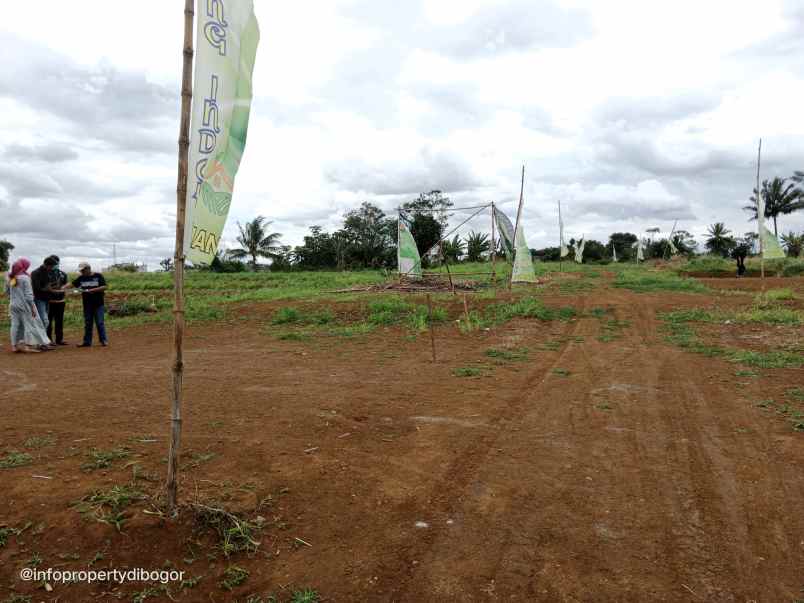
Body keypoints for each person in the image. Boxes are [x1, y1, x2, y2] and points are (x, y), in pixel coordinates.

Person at [5, 258, 52, 353]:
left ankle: (14, 346)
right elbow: (29, 295)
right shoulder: (25, 278)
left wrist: (13, 299)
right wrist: (32, 307)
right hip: (24, 305)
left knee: (15, 325)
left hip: (13, 305)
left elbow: (7, 292)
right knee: (28, 324)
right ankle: (27, 345)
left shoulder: (11, 277)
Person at [72, 262, 108, 347]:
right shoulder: (81, 278)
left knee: (100, 322)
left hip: (98, 304)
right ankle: (87, 342)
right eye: (81, 271)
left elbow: (104, 287)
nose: (82, 272)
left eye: (83, 270)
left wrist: (93, 290)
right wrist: (63, 288)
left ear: (88, 269)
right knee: (88, 323)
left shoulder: (98, 276)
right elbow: (72, 284)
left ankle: (103, 340)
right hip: (87, 305)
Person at [46, 255, 69, 345]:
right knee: (48, 321)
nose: (55, 264)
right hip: (49, 301)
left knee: (59, 321)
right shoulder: (45, 274)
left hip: (60, 301)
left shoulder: (63, 274)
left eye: (56, 262)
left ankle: (59, 339)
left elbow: (66, 285)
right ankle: (48, 340)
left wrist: (64, 288)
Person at [31, 256, 58, 331]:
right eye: (51, 266)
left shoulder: (47, 272)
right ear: (47, 265)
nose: (52, 268)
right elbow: (36, 288)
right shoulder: (36, 273)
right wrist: (47, 288)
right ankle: (42, 339)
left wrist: (53, 286)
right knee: (44, 320)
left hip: (46, 299)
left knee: (44, 320)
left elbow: (48, 284)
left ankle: (43, 339)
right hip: (39, 299)